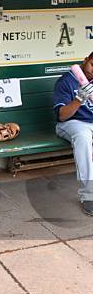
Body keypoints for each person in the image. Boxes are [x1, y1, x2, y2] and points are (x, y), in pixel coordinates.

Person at [54, 54, 93, 215]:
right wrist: (79, 99)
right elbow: (62, 115)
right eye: (92, 65)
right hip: (72, 123)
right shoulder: (66, 81)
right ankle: (89, 195)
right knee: (83, 137)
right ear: (85, 60)